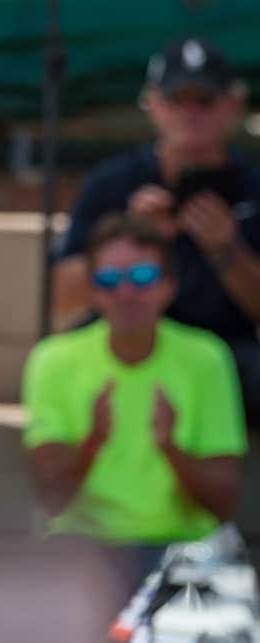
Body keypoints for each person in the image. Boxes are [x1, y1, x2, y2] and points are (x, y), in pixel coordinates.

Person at [25, 214, 246, 597]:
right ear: (93, 291)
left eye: (142, 277)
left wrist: (170, 448)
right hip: (83, 549)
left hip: (183, 551)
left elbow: (222, 504)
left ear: (169, 286)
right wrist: (94, 441)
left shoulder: (207, 357)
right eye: (109, 281)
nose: (126, 292)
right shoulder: (52, 360)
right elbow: (51, 497)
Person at [51, 38, 260, 426]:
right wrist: (130, 240)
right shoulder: (111, 183)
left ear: (232, 105)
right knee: (58, 362)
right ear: (152, 103)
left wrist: (227, 251)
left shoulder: (253, 187)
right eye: (177, 98)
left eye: (205, 99)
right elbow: (62, 297)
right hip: (125, 343)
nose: (190, 112)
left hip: (222, 354)